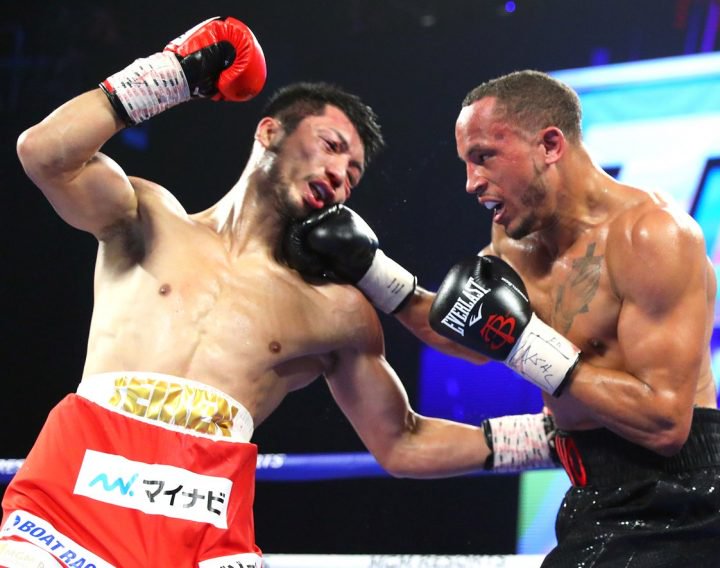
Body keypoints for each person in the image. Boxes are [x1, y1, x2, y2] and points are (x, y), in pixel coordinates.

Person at [0, 15, 507, 568]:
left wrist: (548, 437)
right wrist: (171, 76)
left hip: (203, 536)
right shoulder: (148, 219)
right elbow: (44, 153)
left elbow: (403, 441)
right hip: (68, 510)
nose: (339, 174)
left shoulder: (333, 309)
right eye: (331, 146)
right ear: (269, 132)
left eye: (353, 174)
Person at [284, 70, 720, 567]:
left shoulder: (652, 236)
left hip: (683, 500)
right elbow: (463, 328)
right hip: (592, 493)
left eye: (483, 156)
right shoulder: (514, 241)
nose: (471, 182)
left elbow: (665, 423)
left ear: (549, 144)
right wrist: (371, 270)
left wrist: (526, 345)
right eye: (466, 163)